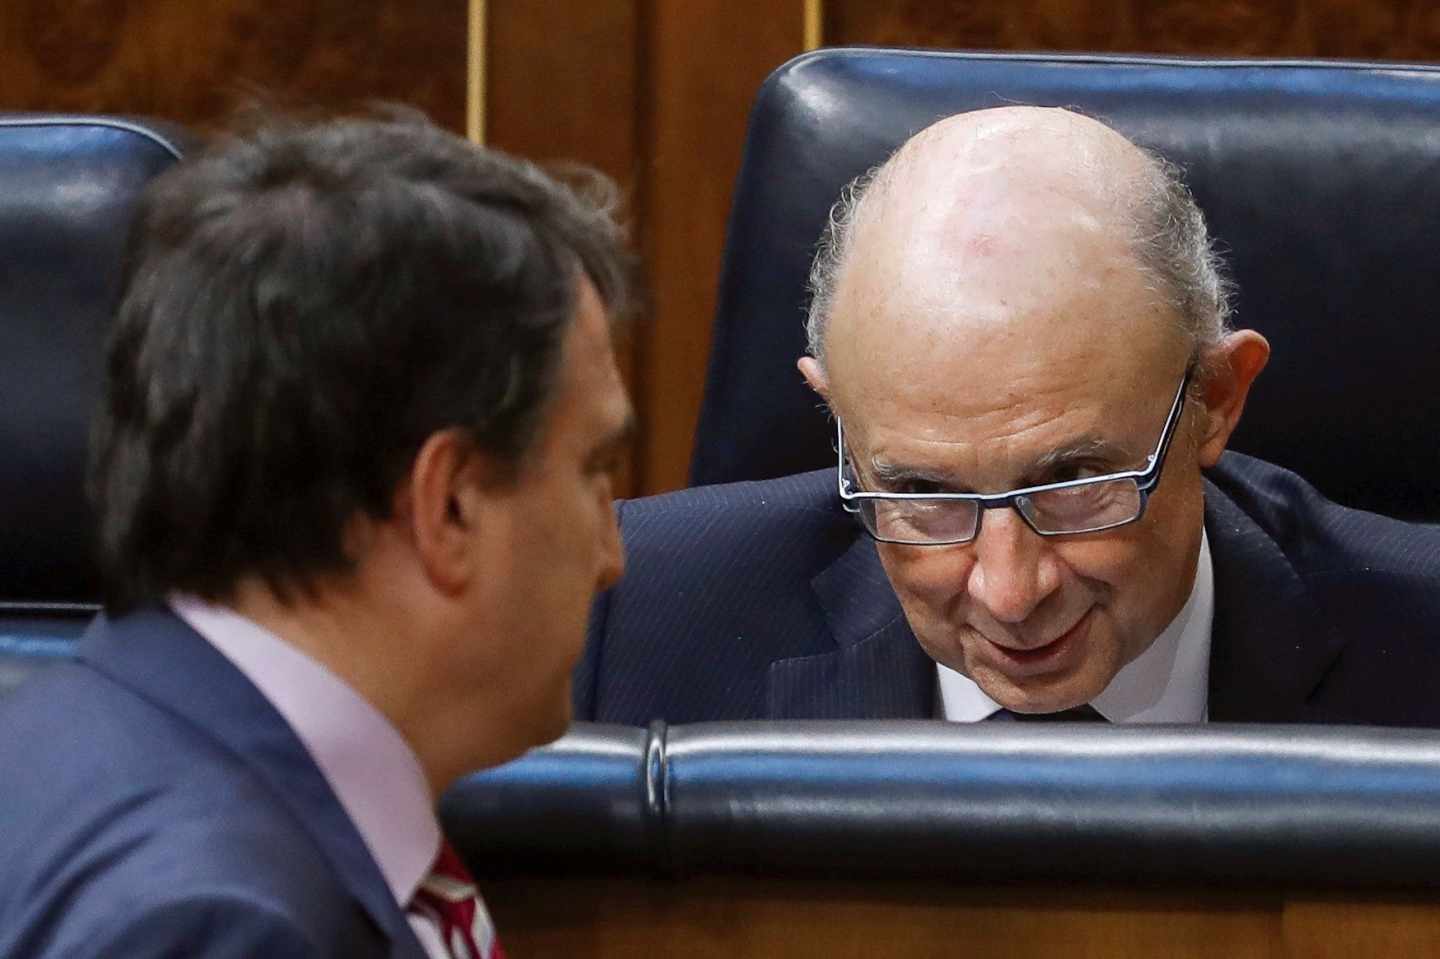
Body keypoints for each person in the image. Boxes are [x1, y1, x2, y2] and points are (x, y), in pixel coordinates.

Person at [577, 105, 1440, 727]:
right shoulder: (628, 620)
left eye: (1074, 481)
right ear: (836, 413)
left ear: (1216, 397)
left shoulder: (1419, 647)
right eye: (921, 490)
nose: (1008, 590)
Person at [0, 111, 633, 957]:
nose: (612, 557)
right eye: (593, 469)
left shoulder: (59, 738)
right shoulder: (222, 924)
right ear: (448, 506)